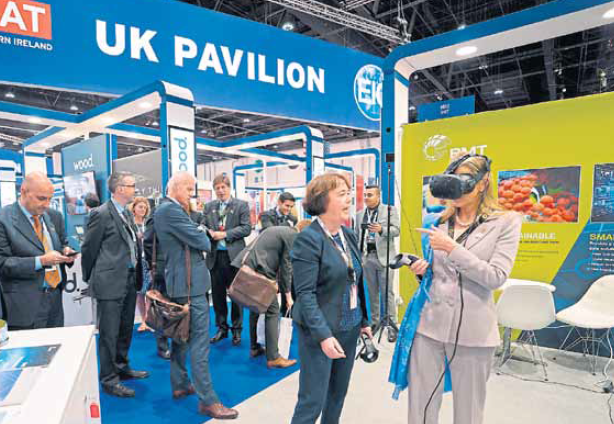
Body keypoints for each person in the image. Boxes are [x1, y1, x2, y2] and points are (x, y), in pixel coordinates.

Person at [392, 154, 522, 424]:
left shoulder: (505, 222)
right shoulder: (439, 222)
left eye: (465, 181)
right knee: (421, 407)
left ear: (484, 182)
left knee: (469, 412)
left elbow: (496, 277)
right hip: (429, 328)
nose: (458, 190)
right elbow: (440, 273)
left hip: (474, 334)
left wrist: (453, 249)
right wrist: (423, 269)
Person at [154, 172, 238, 420]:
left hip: (182, 284)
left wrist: (197, 226)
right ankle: (208, 401)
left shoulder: (167, 209)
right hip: (190, 287)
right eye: (190, 189)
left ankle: (180, 384)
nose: (192, 194)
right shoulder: (170, 210)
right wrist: (201, 230)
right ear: (178, 187)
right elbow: (203, 241)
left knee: (181, 336)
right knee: (199, 343)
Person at [290, 173, 372, 424]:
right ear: (322, 200)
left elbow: (356, 280)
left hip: (349, 327)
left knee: (337, 395)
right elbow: (304, 294)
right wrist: (324, 336)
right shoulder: (309, 239)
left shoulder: (347, 235)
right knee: (312, 401)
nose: (350, 199)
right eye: (342, 194)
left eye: (349, 193)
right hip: (320, 332)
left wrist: (364, 321)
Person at [81, 171, 149, 398]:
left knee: (125, 328)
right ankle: (109, 379)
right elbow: (89, 249)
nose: (134, 189)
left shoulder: (126, 214)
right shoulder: (101, 214)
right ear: (120, 188)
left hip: (129, 278)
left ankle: (122, 366)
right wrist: (91, 277)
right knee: (109, 333)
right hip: (109, 282)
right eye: (131, 186)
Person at [0, 172, 76, 330]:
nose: (47, 204)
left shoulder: (53, 216)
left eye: (50, 198)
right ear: (23, 191)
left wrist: (65, 251)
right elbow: (3, 264)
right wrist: (41, 261)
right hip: (25, 304)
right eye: (41, 198)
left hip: (55, 297)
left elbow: (61, 243)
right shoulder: (4, 219)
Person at [232, 220, 311, 369]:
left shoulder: (281, 230)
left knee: (256, 307)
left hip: (247, 266)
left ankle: (255, 347)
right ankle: (274, 357)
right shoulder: (293, 235)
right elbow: (286, 266)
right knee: (273, 310)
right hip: (258, 271)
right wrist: (288, 295)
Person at [203, 174, 251, 346]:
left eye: (223, 187)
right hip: (215, 257)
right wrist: (208, 232)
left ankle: (237, 330)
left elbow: (246, 228)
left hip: (234, 257)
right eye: (217, 188)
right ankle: (221, 328)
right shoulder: (209, 207)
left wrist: (224, 234)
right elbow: (203, 225)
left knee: (236, 295)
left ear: (229, 188)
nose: (220, 191)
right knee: (217, 296)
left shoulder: (241, 205)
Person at [354, 184, 400, 342]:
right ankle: (374, 322)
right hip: (367, 258)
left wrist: (381, 229)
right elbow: (356, 236)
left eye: (370, 195)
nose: (366, 198)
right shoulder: (360, 214)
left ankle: (391, 324)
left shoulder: (389, 210)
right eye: (365, 195)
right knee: (372, 293)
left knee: (387, 292)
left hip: (384, 257)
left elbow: (396, 230)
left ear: (379, 196)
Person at [129, 196, 153, 333]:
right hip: (137, 262)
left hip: (149, 261)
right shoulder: (130, 225)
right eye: (140, 207)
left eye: (145, 207)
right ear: (134, 208)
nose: (143, 209)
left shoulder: (149, 223)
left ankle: (149, 320)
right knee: (140, 293)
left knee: (149, 292)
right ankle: (143, 320)